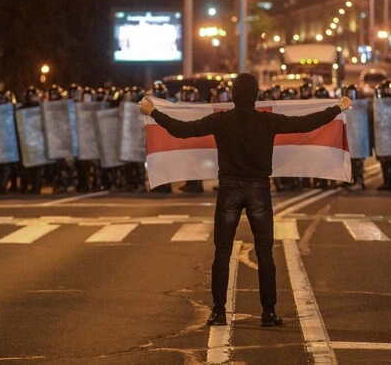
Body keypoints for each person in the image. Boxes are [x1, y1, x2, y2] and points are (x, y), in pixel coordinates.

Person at [139, 72, 351, 327]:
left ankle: (218, 312)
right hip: (259, 190)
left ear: (233, 95)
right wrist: (337, 107)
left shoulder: (221, 120)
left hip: (228, 188)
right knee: (265, 254)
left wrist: (154, 112)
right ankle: (268, 313)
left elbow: (183, 130)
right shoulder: (267, 121)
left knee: (222, 253)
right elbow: (306, 123)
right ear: (256, 96)